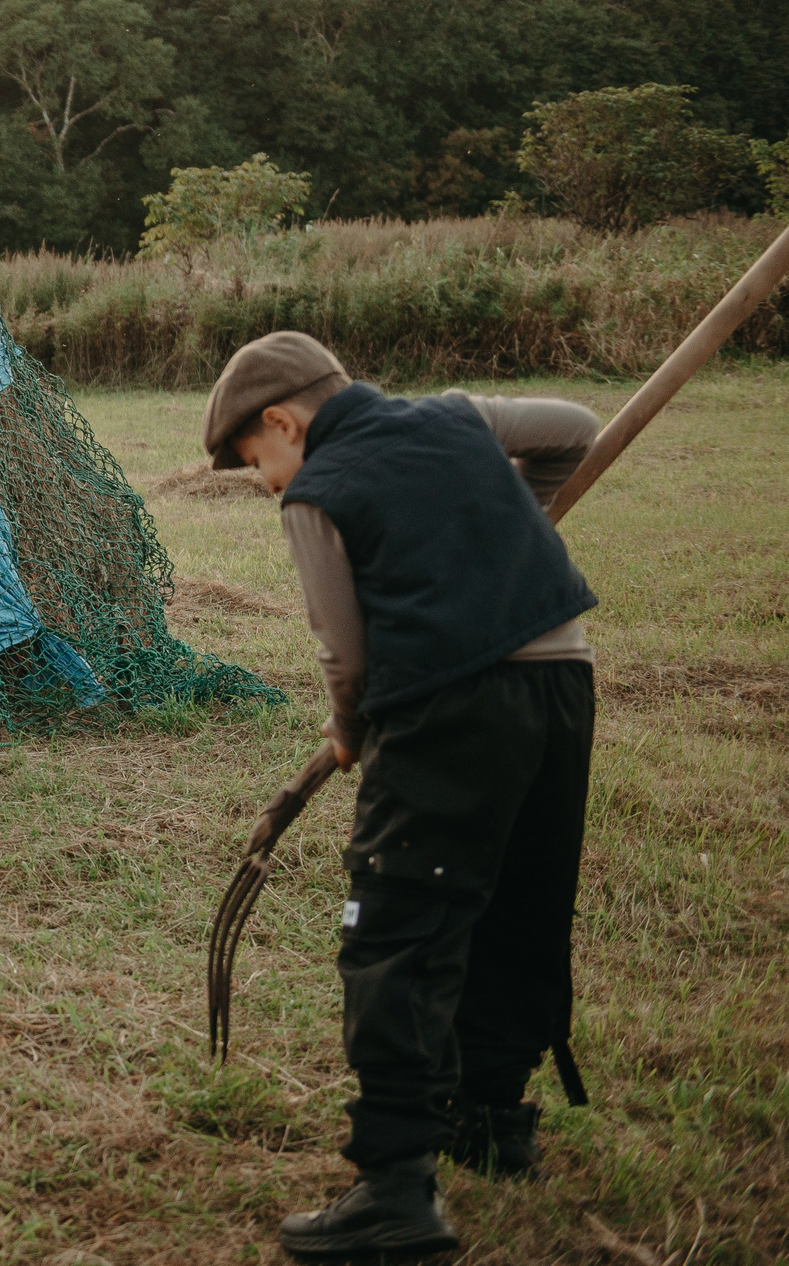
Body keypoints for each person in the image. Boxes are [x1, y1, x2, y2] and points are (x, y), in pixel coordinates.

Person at [202, 331, 601, 1260]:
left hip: (448, 705)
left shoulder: (318, 491)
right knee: (517, 905)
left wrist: (348, 729)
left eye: (256, 461)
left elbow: (343, 650)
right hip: (560, 684)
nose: (265, 481)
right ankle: (491, 1118)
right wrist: (515, 522)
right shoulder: (456, 417)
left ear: (283, 421)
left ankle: (393, 1189)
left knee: (397, 928)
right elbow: (577, 430)